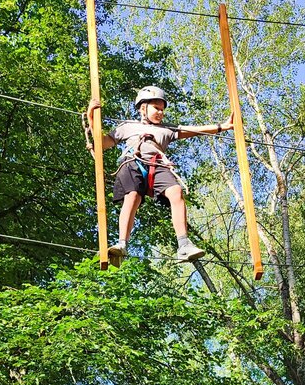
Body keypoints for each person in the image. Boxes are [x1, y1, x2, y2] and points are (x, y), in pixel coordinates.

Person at [87, 87, 233, 266]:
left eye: (162, 109)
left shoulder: (167, 130)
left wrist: (221, 127)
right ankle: (122, 244)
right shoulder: (126, 127)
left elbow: (194, 130)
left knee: (176, 191)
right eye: (156, 108)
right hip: (132, 162)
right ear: (143, 108)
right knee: (132, 196)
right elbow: (101, 144)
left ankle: (184, 244)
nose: (160, 112)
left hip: (157, 165)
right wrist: (92, 118)